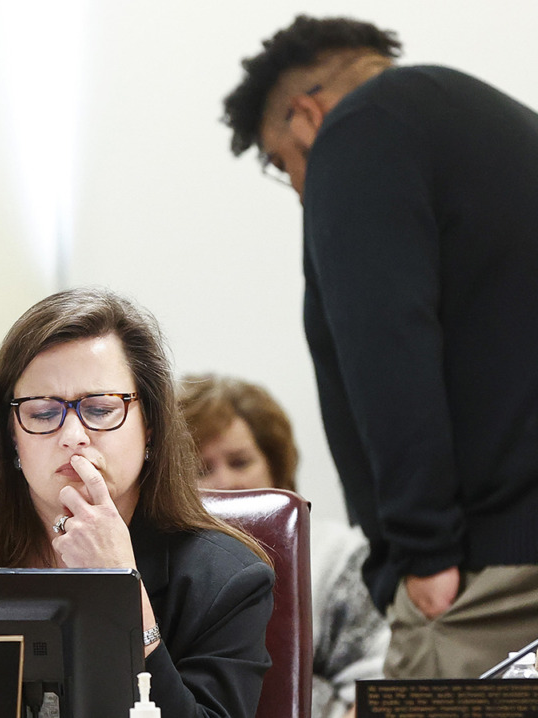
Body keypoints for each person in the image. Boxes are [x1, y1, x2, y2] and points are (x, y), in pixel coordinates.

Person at [222, 15, 538, 679]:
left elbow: (387, 346)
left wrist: (423, 554)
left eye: (285, 164)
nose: (302, 191)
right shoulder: (503, 126)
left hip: (488, 582)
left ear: (306, 113)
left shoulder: (358, 130)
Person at [0, 287, 274, 718]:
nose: (73, 435)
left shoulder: (226, 580)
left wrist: (121, 592)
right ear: (11, 436)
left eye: (102, 409)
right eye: (43, 414)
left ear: (150, 429)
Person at [178, 374, 389, 718]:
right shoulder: (162, 562)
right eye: (202, 469)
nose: (225, 482)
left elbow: (375, 689)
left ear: (276, 466)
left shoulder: (341, 555)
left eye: (240, 462)